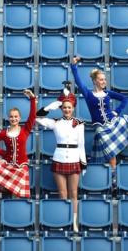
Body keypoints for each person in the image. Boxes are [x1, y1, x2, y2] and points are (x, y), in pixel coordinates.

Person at [35, 81, 86, 232]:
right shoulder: (55, 122)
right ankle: (65, 220)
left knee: (74, 193)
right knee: (62, 193)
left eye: (69, 107)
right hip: (59, 158)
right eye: (64, 107)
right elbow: (37, 117)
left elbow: (81, 144)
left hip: (74, 158)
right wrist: (55, 103)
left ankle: (75, 222)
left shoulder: (79, 123)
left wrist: (83, 163)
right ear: (61, 109)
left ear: (73, 108)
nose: (67, 109)